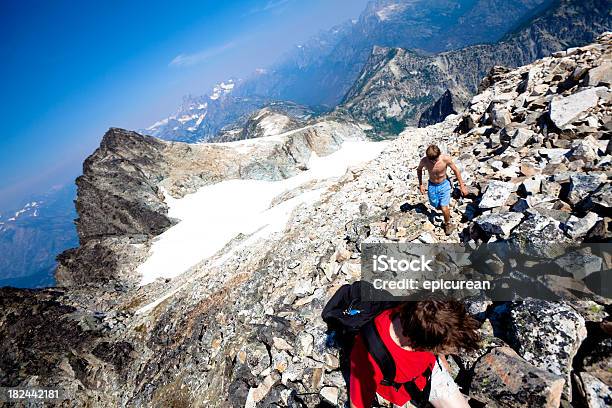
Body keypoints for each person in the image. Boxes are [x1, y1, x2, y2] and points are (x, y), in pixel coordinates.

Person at [349, 300, 480, 408]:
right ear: (421, 345)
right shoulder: (369, 357)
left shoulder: (418, 308)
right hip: (399, 390)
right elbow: (358, 404)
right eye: (440, 349)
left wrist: (440, 358)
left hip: (427, 373)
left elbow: (437, 321)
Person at [416, 145, 468, 235]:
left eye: (435, 160)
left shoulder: (445, 159)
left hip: (444, 185)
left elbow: (456, 170)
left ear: (439, 155)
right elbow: (419, 170)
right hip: (432, 185)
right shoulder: (424, 161)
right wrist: (421, 184)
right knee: (435, 205)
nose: (432, 162)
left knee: (444, 207)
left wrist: (462, 186)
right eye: (430, 160)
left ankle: (448, 223)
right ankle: (445, 209)